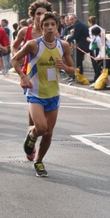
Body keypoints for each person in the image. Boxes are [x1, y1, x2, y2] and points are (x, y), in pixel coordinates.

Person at [12, 12, 74, 177]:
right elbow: (15, 60)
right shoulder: (34, 45)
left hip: (53, 94)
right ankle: (31, 135)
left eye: (52, 24)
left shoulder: (64, 45)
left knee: (48, 133)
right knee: (41, 128)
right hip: (35, 93)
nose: (49, 28)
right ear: (41, 27)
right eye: (46, 25)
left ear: (57, 26)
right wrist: (23, 76)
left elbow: (72, 70)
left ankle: (39, 161)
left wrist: (64, 68)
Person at [11, 0, 54, 137]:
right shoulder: (25, 31)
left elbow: (60, 49)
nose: (41, 16)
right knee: (33, 100)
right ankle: (31, 133)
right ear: (33, 15)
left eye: (44, 13)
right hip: (29, 73)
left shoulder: (52, 32)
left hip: (47, 73)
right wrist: (18, 56)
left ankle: (35, 130)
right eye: (38, 14)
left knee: (44, 106)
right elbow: (14, 46)